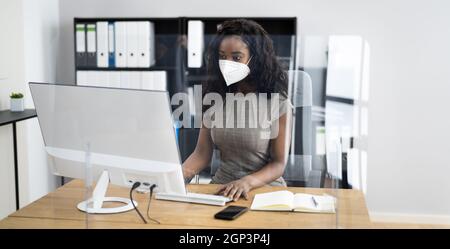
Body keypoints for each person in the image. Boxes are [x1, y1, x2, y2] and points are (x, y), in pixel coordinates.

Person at [182, 19, 292, 201]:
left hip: (262, 190)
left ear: (255, 58)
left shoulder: (277, 102)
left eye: (236, 57)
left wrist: (246, 182)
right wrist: (176, 177)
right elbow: (201, 154)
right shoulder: (214, 97)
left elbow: (278, 164)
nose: (227, 63)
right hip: (222, 188)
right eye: (222, 56)